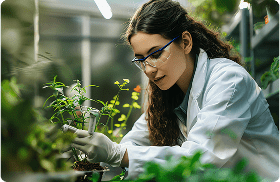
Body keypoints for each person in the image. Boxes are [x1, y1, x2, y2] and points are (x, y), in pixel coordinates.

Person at [72, 0, 279, 181]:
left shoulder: (228, 80)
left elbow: (201, 159)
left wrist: (118, 153)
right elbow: (136, 139)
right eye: (141, 60)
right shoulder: (170, 94)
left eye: (156, 53)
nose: (149, 69)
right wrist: (99, 148)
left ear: (186, 42)